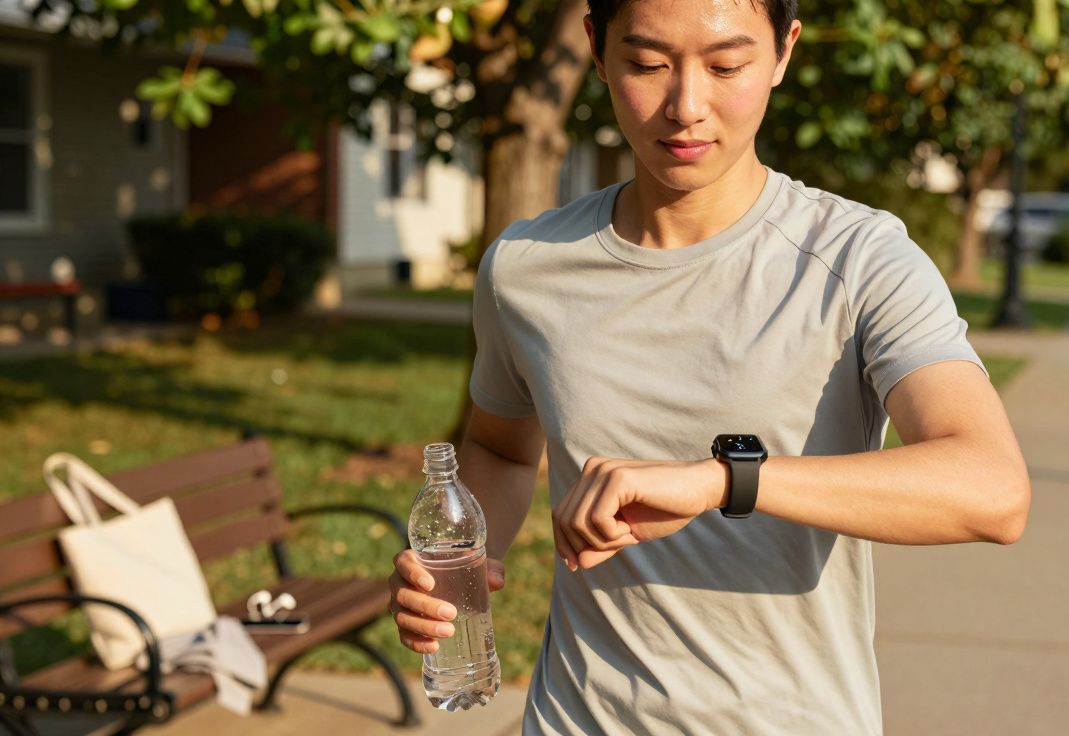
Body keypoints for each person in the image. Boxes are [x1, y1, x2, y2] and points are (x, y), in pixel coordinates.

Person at [389, 0, 1031, 732]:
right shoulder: (526, 266)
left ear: (784, 52)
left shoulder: (859, 260)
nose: (685, 106)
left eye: (727, 65)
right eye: (647, 64)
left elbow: (992, 488)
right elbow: (501, 449)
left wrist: (721, 479)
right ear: (595, 50)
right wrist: (458, 571)